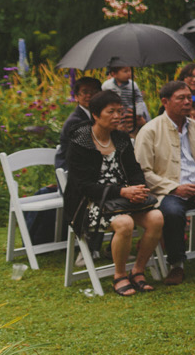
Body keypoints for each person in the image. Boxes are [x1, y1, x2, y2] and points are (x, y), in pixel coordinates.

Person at [62, 89, 163, 296]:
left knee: (156, 218)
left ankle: (138, 270)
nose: (118, 116)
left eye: (120, 111)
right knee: (124, 223)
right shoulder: (80, 141)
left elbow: (134, 170)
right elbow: (83, 185)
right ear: (96, 115)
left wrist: (137, 189)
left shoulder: (121, 138)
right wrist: (122, 191)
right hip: (89, 202)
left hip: (122, 199)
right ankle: (119, 276)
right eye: (111, 112)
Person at [135, 80, 195, 285]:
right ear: (165, 101)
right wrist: (175, 187)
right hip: (168, 191)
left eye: (189, 97)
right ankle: (176, 264)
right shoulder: (150, 130)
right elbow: (143, 171)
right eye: (181, 98)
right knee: (171, 212)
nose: (188, 102)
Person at [56, 76, 102, 169]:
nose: (89, 95)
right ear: (76, 97)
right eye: (85, 92)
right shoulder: (75, 121)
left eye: (94, 92)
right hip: (71, 168)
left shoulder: (98, 115)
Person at [101, 65, 149, 136]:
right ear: (114, 74)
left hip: (129, 114)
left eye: (130, 70)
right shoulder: (107, 85)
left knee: (131, 131)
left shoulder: (133, 85)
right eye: (125, 71)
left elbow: (139, 99)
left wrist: (138, 113)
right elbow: (102, 99)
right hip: (115, 114)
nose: (129, 73)